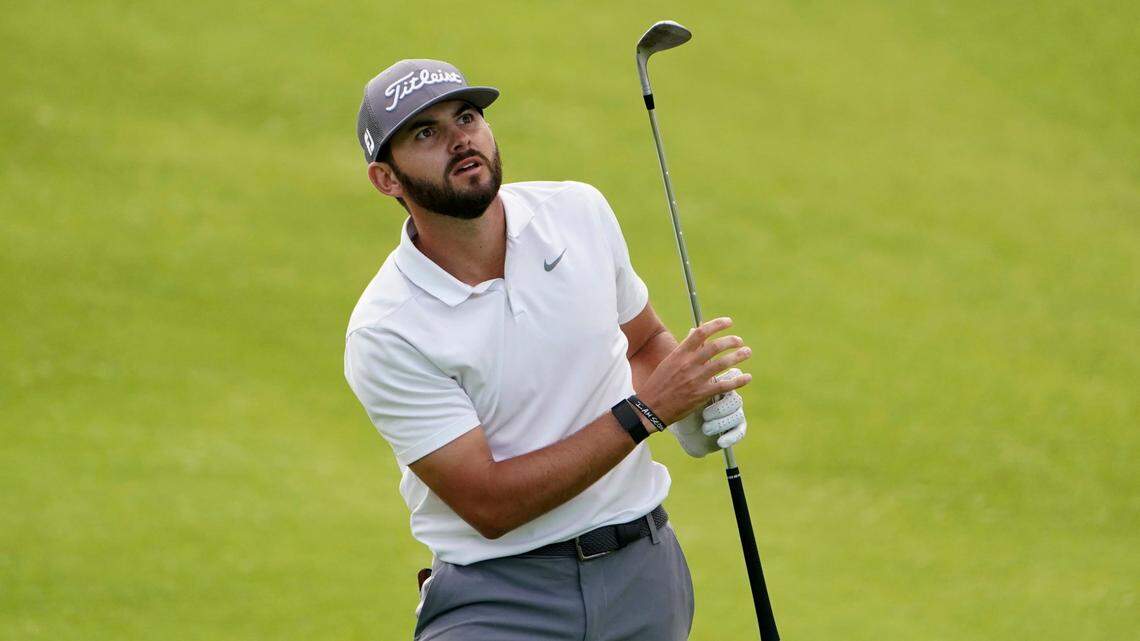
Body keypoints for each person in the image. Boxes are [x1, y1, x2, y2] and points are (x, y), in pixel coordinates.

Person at [344, 59, 755, 641]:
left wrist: (693, 408)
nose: (460, 138)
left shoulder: (577, 213)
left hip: (643, 569)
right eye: (426, 133)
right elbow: (490, 504)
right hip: (499, 600)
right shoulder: (387, 329)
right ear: (387, 179)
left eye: (467, 117)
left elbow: (643, 342)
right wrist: (649, 412)